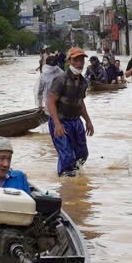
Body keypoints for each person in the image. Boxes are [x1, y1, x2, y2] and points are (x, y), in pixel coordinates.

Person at [46, 45, 96, 177]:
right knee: (67, 156)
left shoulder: (83, 82)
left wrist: (88, 121)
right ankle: (65, 180)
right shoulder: (61, 79)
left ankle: (76, 179)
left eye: (81, 60)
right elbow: (50, 101)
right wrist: (57, 124)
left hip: (76, 121)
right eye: (76, 60)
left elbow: (80, 103)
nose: (79, 63)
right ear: (69, 61)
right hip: (60, 121)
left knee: (82, 154)